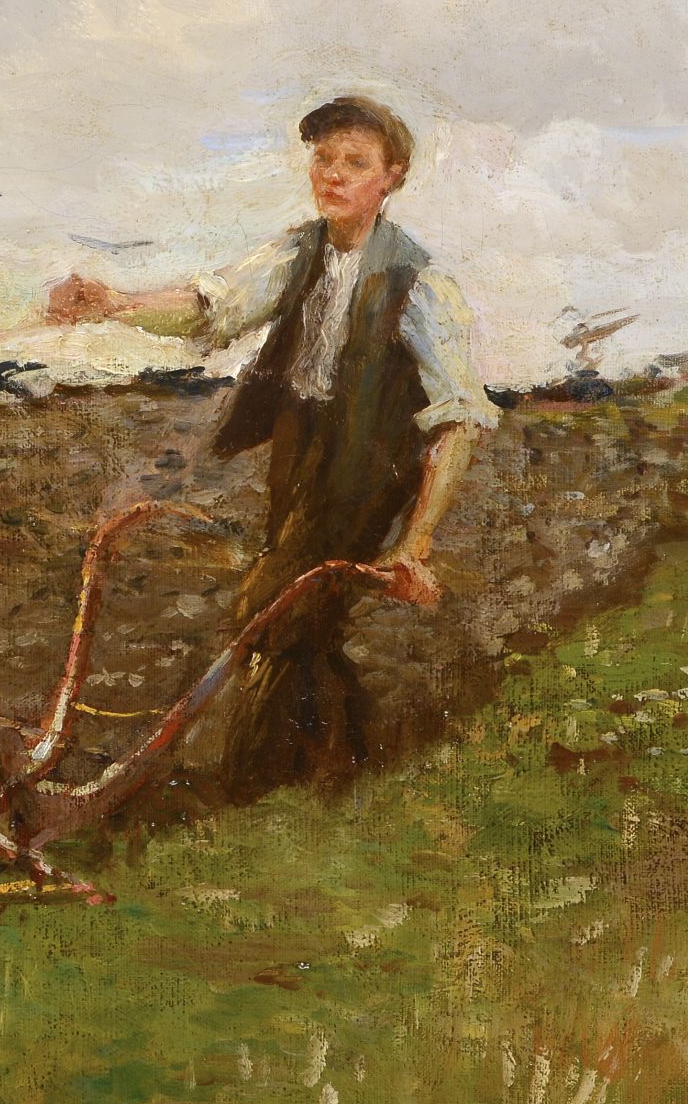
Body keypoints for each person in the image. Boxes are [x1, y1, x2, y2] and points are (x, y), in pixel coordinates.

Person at [46, 95, 499, 802]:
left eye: (355, 162)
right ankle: (336, 775)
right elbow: (211, 306)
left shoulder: (419, 282)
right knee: (303, 619)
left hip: (369, 466)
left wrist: (416, 544)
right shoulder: (296, 253)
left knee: (271, 613)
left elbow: (457, 421)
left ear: (393, 176)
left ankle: (253, 782)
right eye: (323, 158)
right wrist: (113, 302)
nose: (333, 174)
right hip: (301, 455)